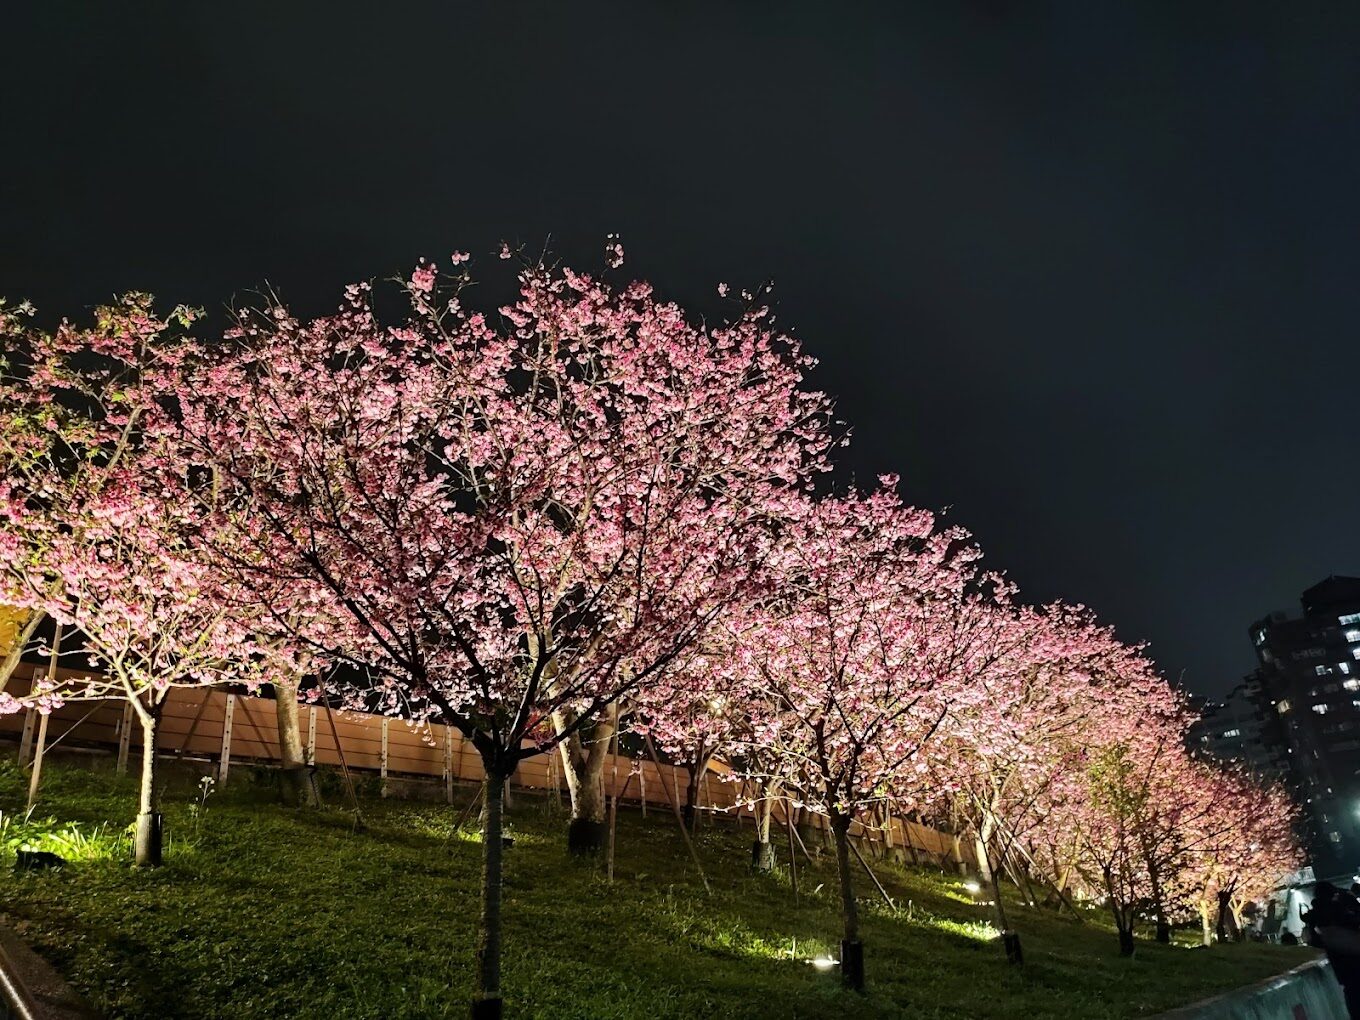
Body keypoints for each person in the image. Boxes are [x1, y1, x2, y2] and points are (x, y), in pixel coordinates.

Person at [1306, 882, 1360, 1018]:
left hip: (1341, 964)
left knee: (1352, 994)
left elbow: (1314, 940)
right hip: (1354, 957)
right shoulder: (1343, 907)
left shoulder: (1316, 915)